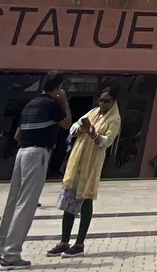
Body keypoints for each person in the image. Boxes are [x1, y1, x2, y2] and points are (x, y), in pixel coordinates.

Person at [0, 72, 69, 269]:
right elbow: (66, 123)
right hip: (38, 152)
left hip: (22, 152)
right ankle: (11, 255)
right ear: (58, 87)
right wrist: (64, 102)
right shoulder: (51, 104)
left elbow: (18, 135)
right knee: (26, 203)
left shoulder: (31, 104)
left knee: (12, 201)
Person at [49, 87, 121, 256]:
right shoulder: (94, 112)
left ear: (113, 102)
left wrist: (93, 134)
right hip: (78, 158)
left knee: (85, 199)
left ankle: (79, 243)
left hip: (92, 162)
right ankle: (64, 241)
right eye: (101, 100)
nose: (102, 103)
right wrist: (79, 129)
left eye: (107, 101)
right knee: (69, 200)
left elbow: (107, 141)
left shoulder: (115, 119)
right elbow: (75, 125)